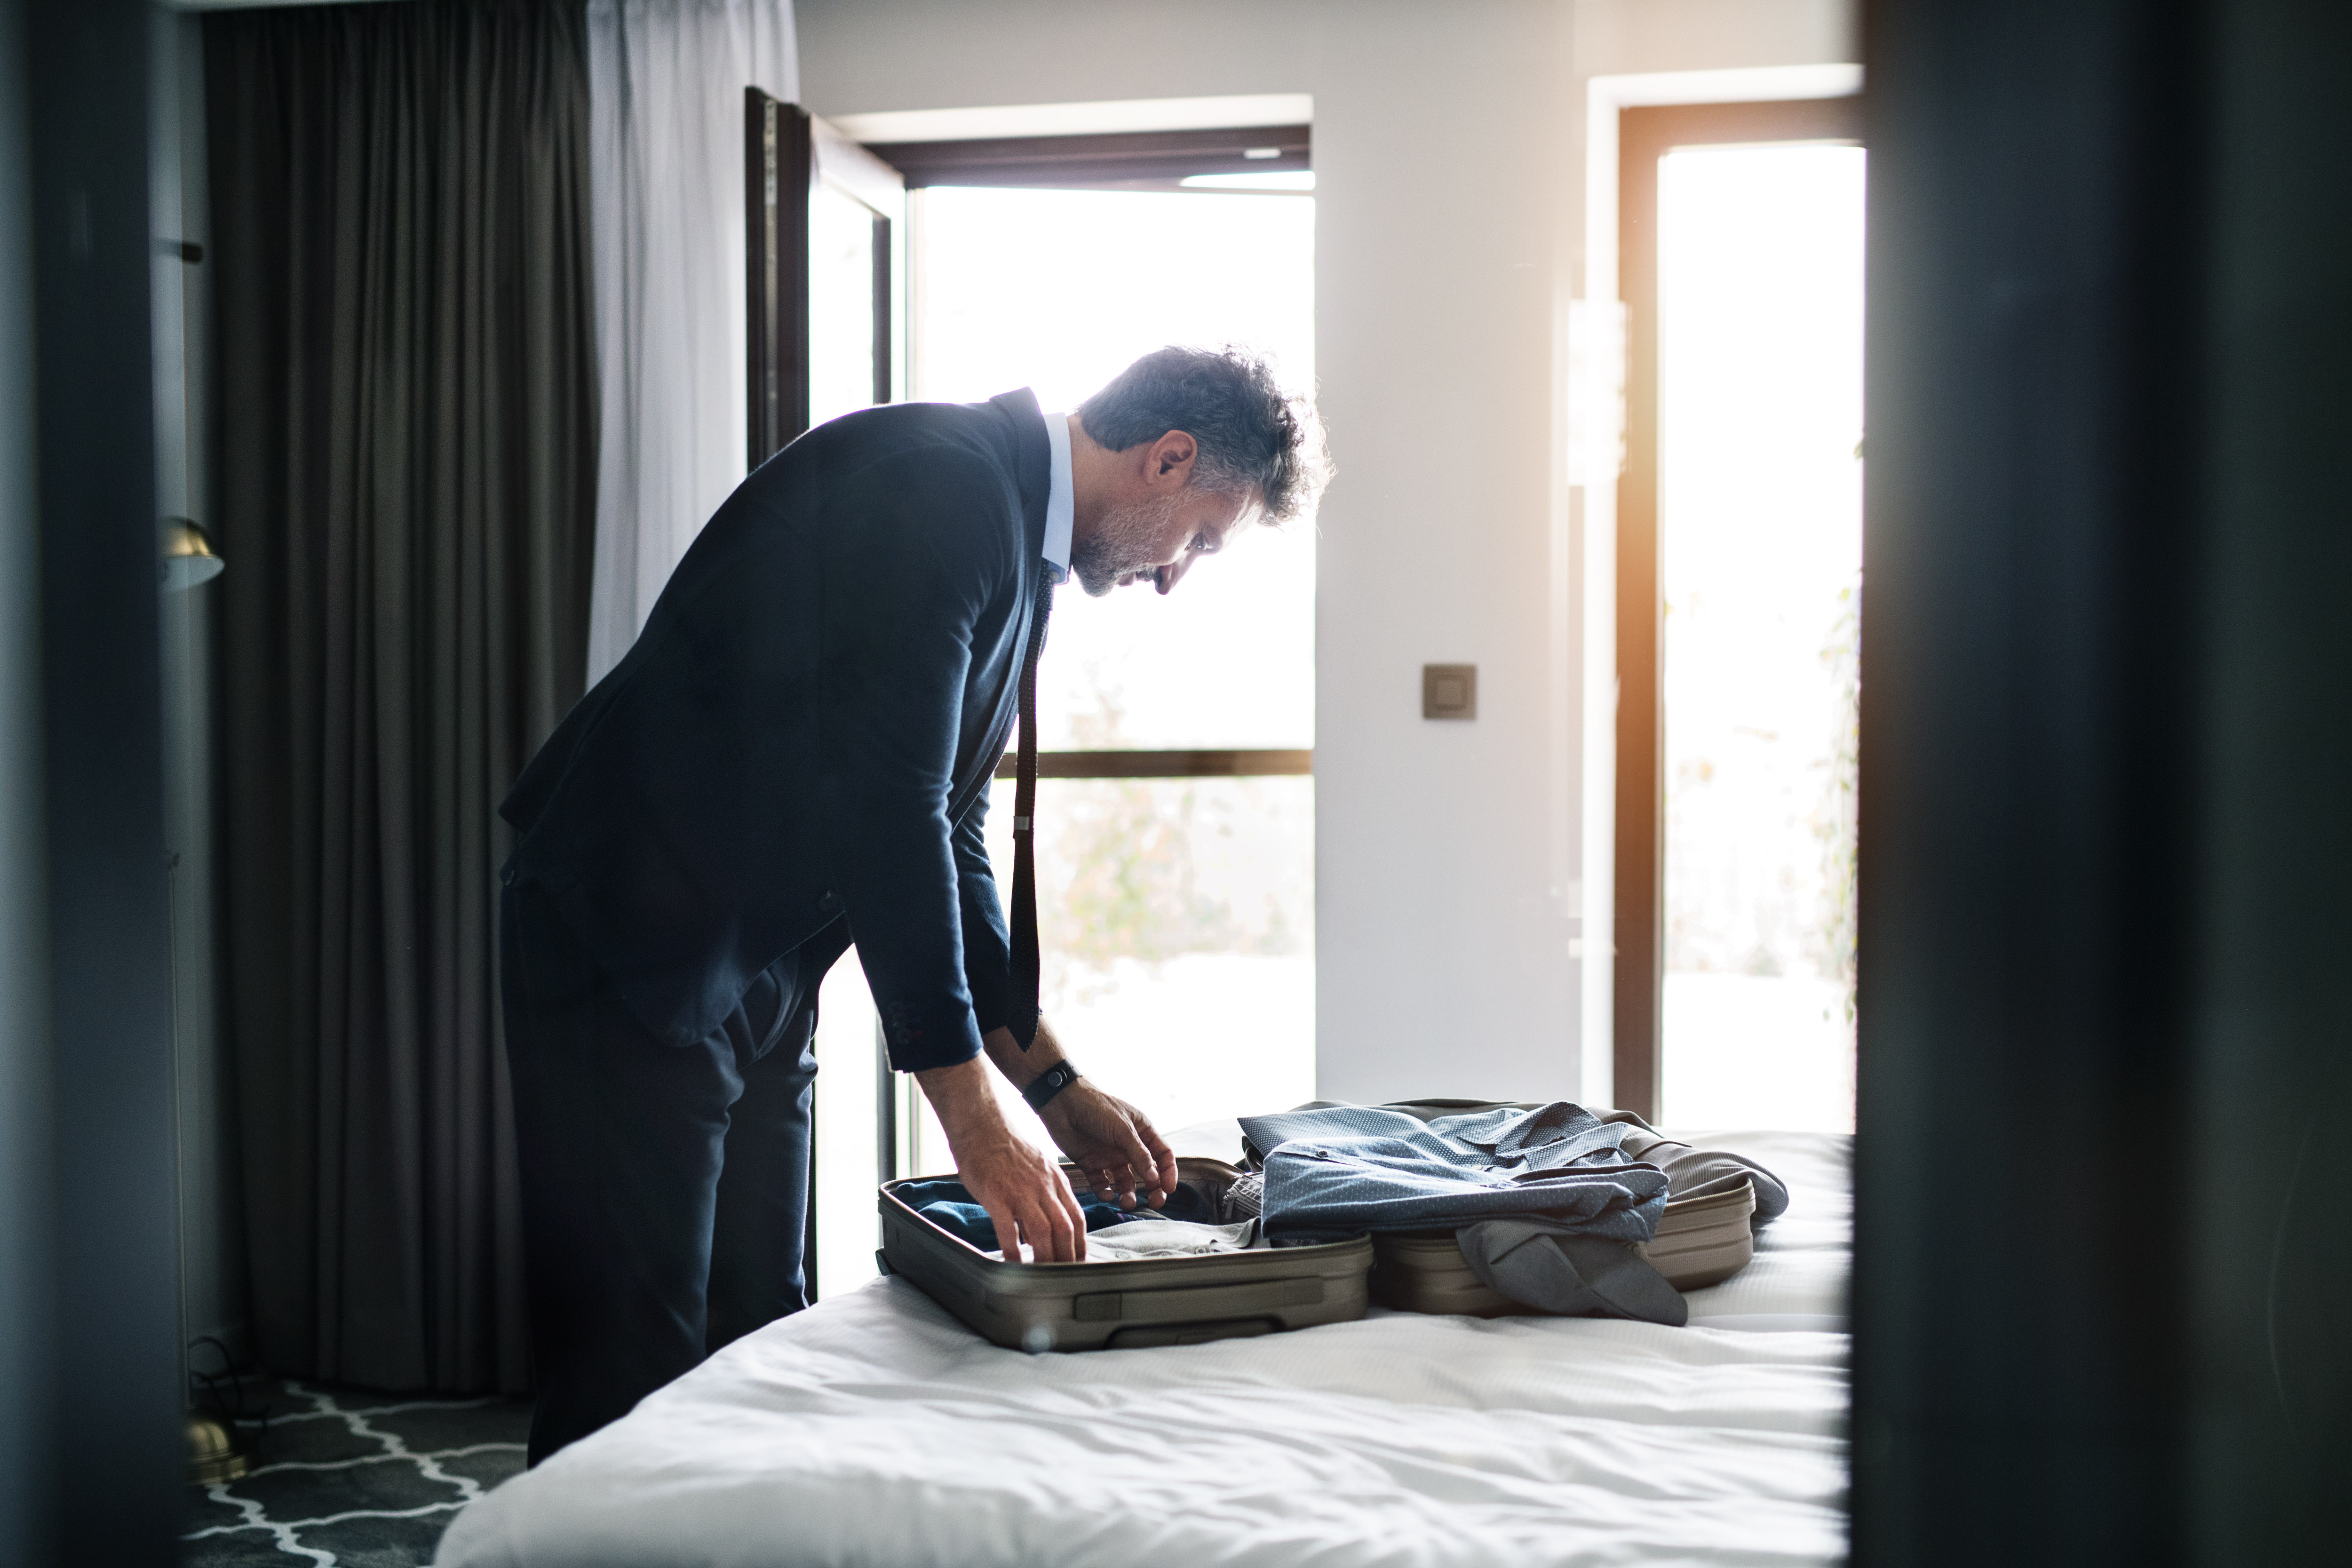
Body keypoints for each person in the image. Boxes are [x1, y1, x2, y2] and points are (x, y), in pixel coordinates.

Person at [496, 345, 1323, 1463]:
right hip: (628, 939)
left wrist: (1052, 1082)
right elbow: (886, 811)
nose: (1178, 573)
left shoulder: (1016, 538)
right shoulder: (939, 490)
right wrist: (973, 1118)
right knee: (628, 1362)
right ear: (1167, 459)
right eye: (1204, 538)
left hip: (760, 962)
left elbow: (953, 826)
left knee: (761, 1327)